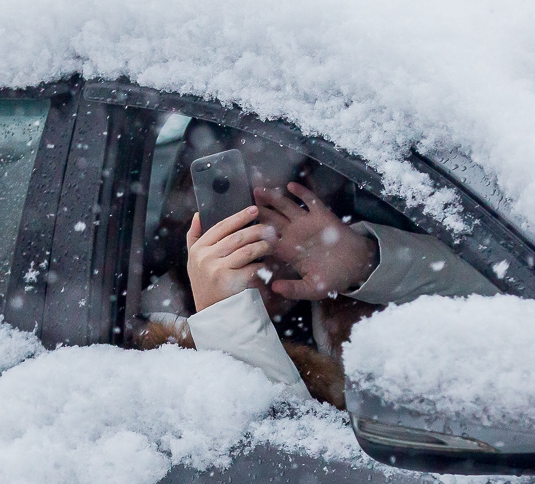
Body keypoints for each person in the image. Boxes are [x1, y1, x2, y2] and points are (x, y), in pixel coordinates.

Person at [164, 173, 496, 405]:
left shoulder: (367, 320)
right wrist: (223, 313)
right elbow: (267, 454)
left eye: (271, 220)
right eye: (232, 232)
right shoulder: (155, 353)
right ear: (192, 239)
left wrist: (368, 262)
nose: (255, 247)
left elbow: (510, 294)